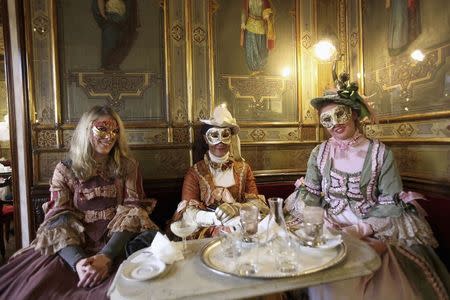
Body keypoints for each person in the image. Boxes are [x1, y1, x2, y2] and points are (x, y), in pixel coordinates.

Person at [284, 75, 450, 299]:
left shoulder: (381, 153)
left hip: (372, 227)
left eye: (340, 114)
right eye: (327, 119)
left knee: (368, 279)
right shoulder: (319, 152)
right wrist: (319, 219)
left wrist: (359, 230)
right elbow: (311, 193)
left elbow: (390, 201)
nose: (335, 124)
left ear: (353, 113)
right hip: (329, 223)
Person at [0, 105, 159, 299]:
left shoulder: (128, 166)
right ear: (86, 130)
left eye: (115, 131)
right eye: (102, 129)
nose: (110, 136)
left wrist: (106, 256)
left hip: (118, 245)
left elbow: (133, 212)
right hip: (74, 246)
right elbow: (57, 220)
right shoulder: (64, 170)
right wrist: (78, 263)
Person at [170, 104, 268, 238]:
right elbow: (188, 211)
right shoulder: (195, 172)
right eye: (214, 135)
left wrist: (235, 208)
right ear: (206, 138)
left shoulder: (244, 169)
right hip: (206, 230)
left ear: (231, 138)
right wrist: (214, 219)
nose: (220, 142)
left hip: (239, 225)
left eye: (225, 135)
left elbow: (257, 203)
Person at [92, 0, 140, 70]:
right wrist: (104, 16)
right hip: (112, 17)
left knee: (123, 42)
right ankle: (106, 65)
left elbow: (133, 5)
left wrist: (134, 21)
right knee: (109, 42)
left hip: (125, 19)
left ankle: (113, 64)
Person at [240, 0, 275, 73]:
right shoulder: (247, 0)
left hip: (261, 27)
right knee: (251, 49)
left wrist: (267, 15)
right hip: (250, 25)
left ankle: (261, 69)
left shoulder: (265, 1)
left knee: (261, 48)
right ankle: (253, 69)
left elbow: (270, 11)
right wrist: (243, 22)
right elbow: (244, 11)